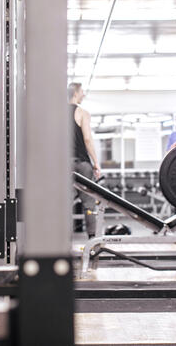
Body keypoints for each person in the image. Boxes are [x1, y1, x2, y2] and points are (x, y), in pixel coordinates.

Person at [68, 82, 101, 238]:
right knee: (88, 203)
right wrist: (96, 163)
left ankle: (62, 241)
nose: (84, 94)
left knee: (65, 204)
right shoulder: (82, 112)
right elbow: (87, 139)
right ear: (75, 93)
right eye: (82, 91)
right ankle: (92, 239)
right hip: (82, 163)